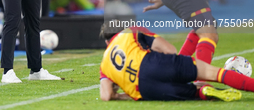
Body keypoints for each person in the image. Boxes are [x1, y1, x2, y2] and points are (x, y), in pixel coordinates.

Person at [99, 22, 254, 101]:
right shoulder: (131, 31)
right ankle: (201, 79)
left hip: (147, 90)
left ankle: (201, 91)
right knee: (213, 72)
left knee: (194, 92)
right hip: (154, 64)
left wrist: (120, 95)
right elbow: (170, 50)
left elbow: (106, 95)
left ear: (107, 43)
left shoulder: (104, 65)